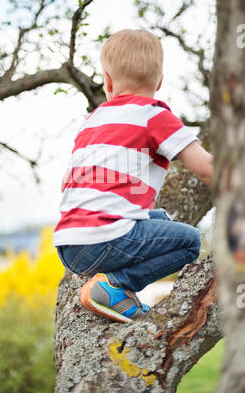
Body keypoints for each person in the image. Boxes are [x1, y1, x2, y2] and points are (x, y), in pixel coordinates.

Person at [53, 29, 213, 323]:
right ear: (160, 82)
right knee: (189, 240)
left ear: (108, 80)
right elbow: (206, 169)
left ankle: (118, 291)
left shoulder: (93, 120)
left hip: (68, 244)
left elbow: (67, 181)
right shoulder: (154, 115)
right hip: (103, 240)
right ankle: (115, 285)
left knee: (162, 221)